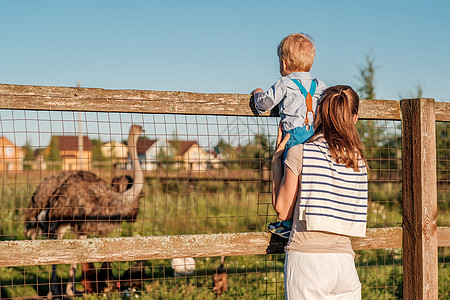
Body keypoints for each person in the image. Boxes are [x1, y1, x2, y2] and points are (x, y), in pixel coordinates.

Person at [272, 85, 368, 299]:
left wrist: (277, 160)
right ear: (354, 119)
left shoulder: (300, 153)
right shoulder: (358, 161)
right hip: (344, 264)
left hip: (308, 262)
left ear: (318, 113)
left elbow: (283, 211)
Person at [251, 33, 327, 238]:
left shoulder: (284, 83)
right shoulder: (320, 86)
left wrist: (257, 93)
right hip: (316, 137)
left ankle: (286, 223)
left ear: (284, 63)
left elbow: (265, 104)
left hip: (293, 137)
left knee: (288, 178)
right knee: (308, 178)